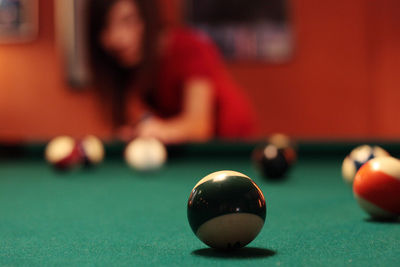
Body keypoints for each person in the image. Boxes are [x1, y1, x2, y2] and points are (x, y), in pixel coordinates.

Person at [87, 0, 257, 144]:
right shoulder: (131, 64)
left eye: (128, 20)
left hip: (228, 144)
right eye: (105, 27)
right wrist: (136, 131)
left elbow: (199, 125)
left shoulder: (188, 47)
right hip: (188, 154)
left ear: (148, 18)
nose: (116, 37)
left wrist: (159, 130)